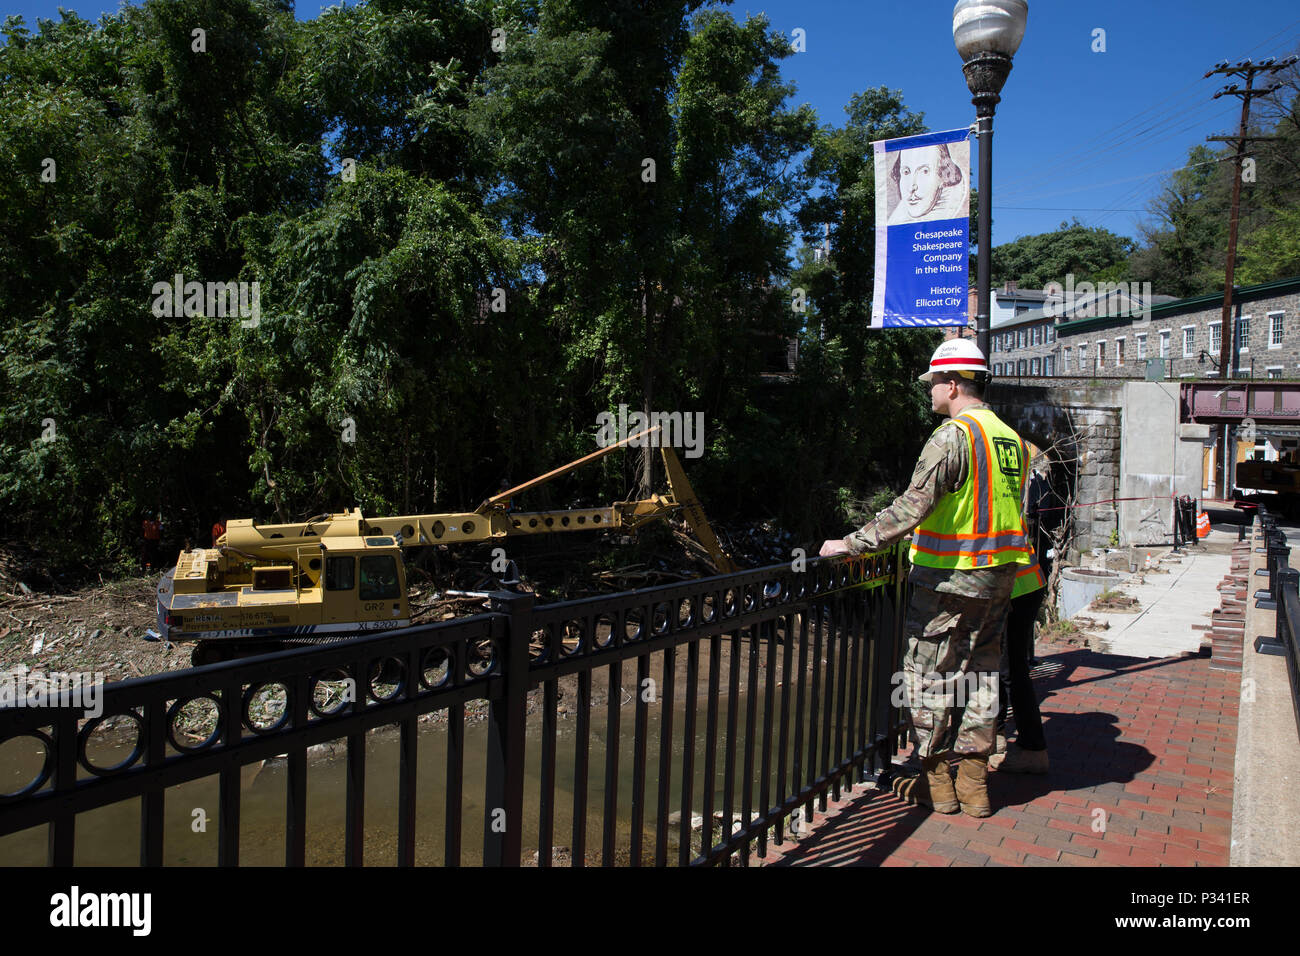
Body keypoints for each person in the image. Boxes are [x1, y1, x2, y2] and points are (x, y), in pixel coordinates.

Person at [820, 339, 1033, 817]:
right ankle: (975, 787)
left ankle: (937, 783)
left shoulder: (953, 436)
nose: (930, 392)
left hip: (949, 582)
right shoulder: (1010, 438)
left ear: (952, 384)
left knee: (927, 679)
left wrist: (851, 543)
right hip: (999, 580)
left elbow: (912, 507)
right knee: (981, 676)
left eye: (933, 383)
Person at [990, 454, 1051, 774]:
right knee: (1006, 666)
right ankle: (999, 733)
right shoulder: (1002, 494)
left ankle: (1031, 746)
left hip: (1015, 589)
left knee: (1010, 668)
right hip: (1027, 584)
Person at [886, 143, 968, 227]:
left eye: (924, 171)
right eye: (906, 172)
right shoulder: (894, 224)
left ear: (943, 175)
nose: (911, 187)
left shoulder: (952, 228)